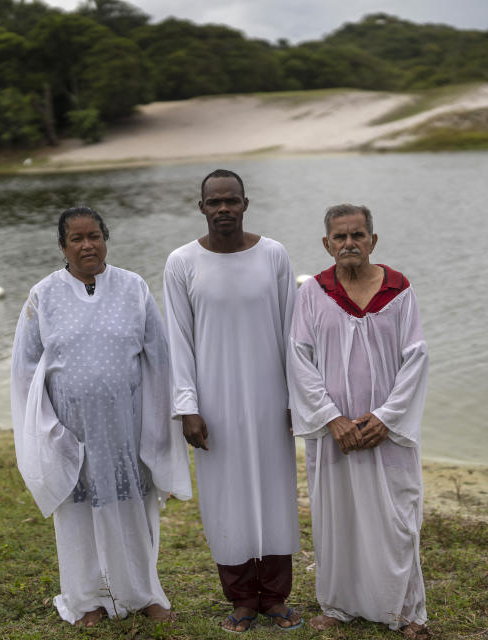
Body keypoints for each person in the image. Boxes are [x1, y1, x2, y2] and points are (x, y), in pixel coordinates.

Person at [11, 206, 191, 628]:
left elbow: (160, 360)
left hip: (126, 428)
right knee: (76, 517)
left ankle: (144, 593)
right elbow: (24, 371)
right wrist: (45, 431)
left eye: (94, 236)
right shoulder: (43, 296)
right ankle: (86, 600)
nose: (87, 245)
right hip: (70, 432)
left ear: (105, 239)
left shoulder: (133, 288)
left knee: (134, 509)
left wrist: (165, 423)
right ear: (63, 246)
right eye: (77, 238)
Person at [163, 170, 303, 633]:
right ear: (200, 207)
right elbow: (178, 341)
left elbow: (292, 333)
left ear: (246, 203)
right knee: (225, 499)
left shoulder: (274, 255)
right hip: (214, 402)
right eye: (214, 202)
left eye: (232, 201)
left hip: (270, 399)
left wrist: (294, 398)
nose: (224, 209)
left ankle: (276, 597)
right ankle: (242, 599)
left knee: (276, 494)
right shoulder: (181, 262)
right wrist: (187, 406)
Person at [286, 204, 430, 638]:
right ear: (327, 244)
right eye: (340, 237)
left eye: (358, 235)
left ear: (373, 240)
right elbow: (299, 358)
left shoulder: (399, 289)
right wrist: (331, 419)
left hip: (385, 432)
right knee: (337, 519)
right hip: (336, 434)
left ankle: (406, 611)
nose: (349, 243)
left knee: (398, 520)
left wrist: (387, 418)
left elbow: (416, 359)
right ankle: (338, 605)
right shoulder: (313, 292)